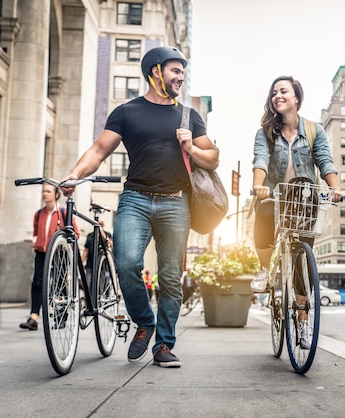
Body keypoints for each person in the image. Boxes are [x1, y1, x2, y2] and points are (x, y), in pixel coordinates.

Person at [61, 46, 219, 368]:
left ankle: (164, 345)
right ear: (155, 71)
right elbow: (99, 149)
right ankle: (144, 322)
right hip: (134, 198)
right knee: (127, 262)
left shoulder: (189, 116)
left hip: (177, 203)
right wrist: (76, 174)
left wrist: (190, 146)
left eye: (182, 72)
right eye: (175, 71)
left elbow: (213, 158)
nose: (180, 77)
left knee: (172, 278)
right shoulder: (126, 112)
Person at [251, 76, 342, 347]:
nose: (278, 95)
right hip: (275, 197)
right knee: (264, 214)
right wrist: (258, 185)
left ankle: (303, 323)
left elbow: (325, 160)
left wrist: (334, 188)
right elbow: (261, 159)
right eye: (274, 92)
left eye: (283, 91)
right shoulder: (265, 132)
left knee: (303, 264)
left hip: (304, 199)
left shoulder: (314, 130)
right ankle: (265, 269)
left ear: (296, 99)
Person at [20, 184, 80, 330]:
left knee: (59, 285)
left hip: (59, 254)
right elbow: (35, 232)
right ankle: (33, 318)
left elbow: (75, 233)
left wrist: (64, 245)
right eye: (43, 191)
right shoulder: (39, 214)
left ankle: (60, 317)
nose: (45, 194)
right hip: (41, 253)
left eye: (48, 191)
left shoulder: (64, 212)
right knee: (37, 283)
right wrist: (35, 242)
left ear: (56, 194)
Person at [82, 218, 112, 288]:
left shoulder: (107, 235)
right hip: (90, 265)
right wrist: (82, 262)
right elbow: (86, 250)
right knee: (87, 284)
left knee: (100, 286)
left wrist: (103, 235)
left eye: (101, 225)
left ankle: (99, 298)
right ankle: (88, 298)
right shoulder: (90, 235)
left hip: (102, 267)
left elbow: (112, 245)